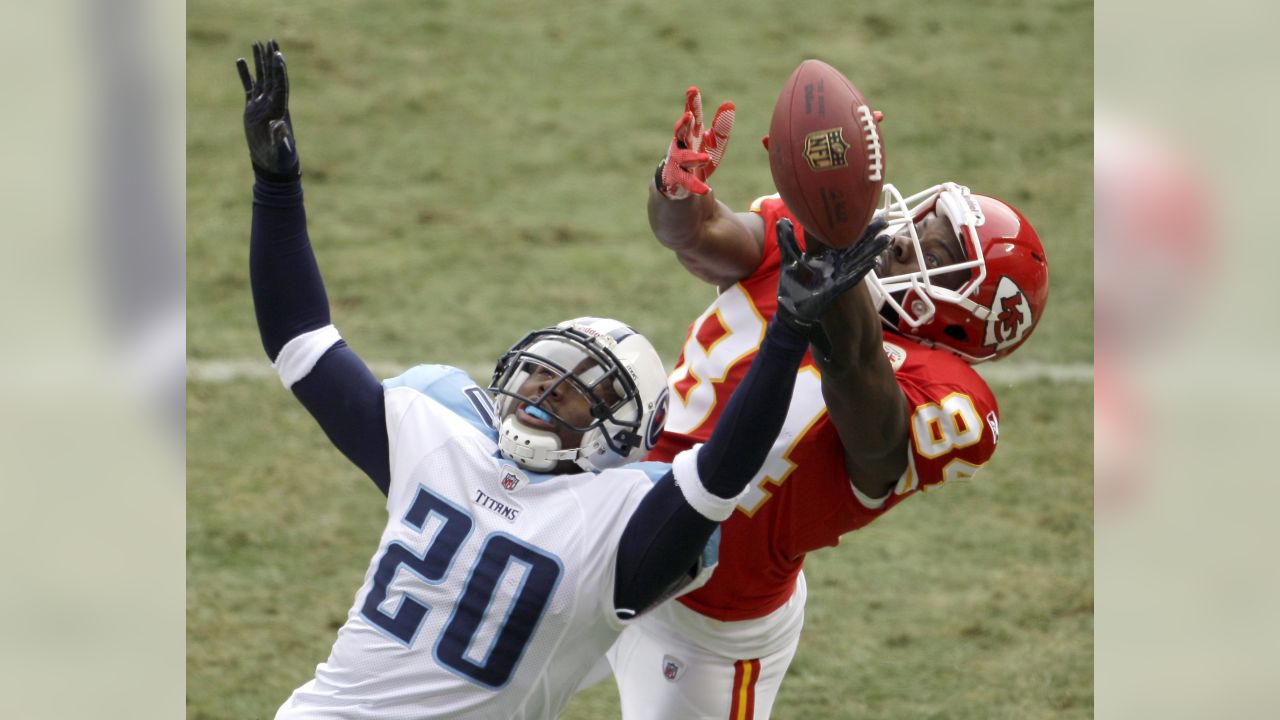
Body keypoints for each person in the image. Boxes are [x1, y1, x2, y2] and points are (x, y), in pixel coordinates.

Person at [234, 42, 889, 719]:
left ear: (625, 434)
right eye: (543, 373)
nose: (545, 395)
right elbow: (302, 338)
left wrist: (787, 334)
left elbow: (726, 467)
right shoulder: (442, 442)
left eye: (578, 390)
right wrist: (276, 183)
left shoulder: (601, 515)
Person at [604, 86, 1051, 719]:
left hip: (706, 622)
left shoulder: (953, 398)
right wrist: (676, 185)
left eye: (941, 251)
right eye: (926, 221)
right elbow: (697, 234)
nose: (907, 237)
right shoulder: (806, 237)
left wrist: (831, 254)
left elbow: (872, 432)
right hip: (604, 517)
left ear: (961, 316)